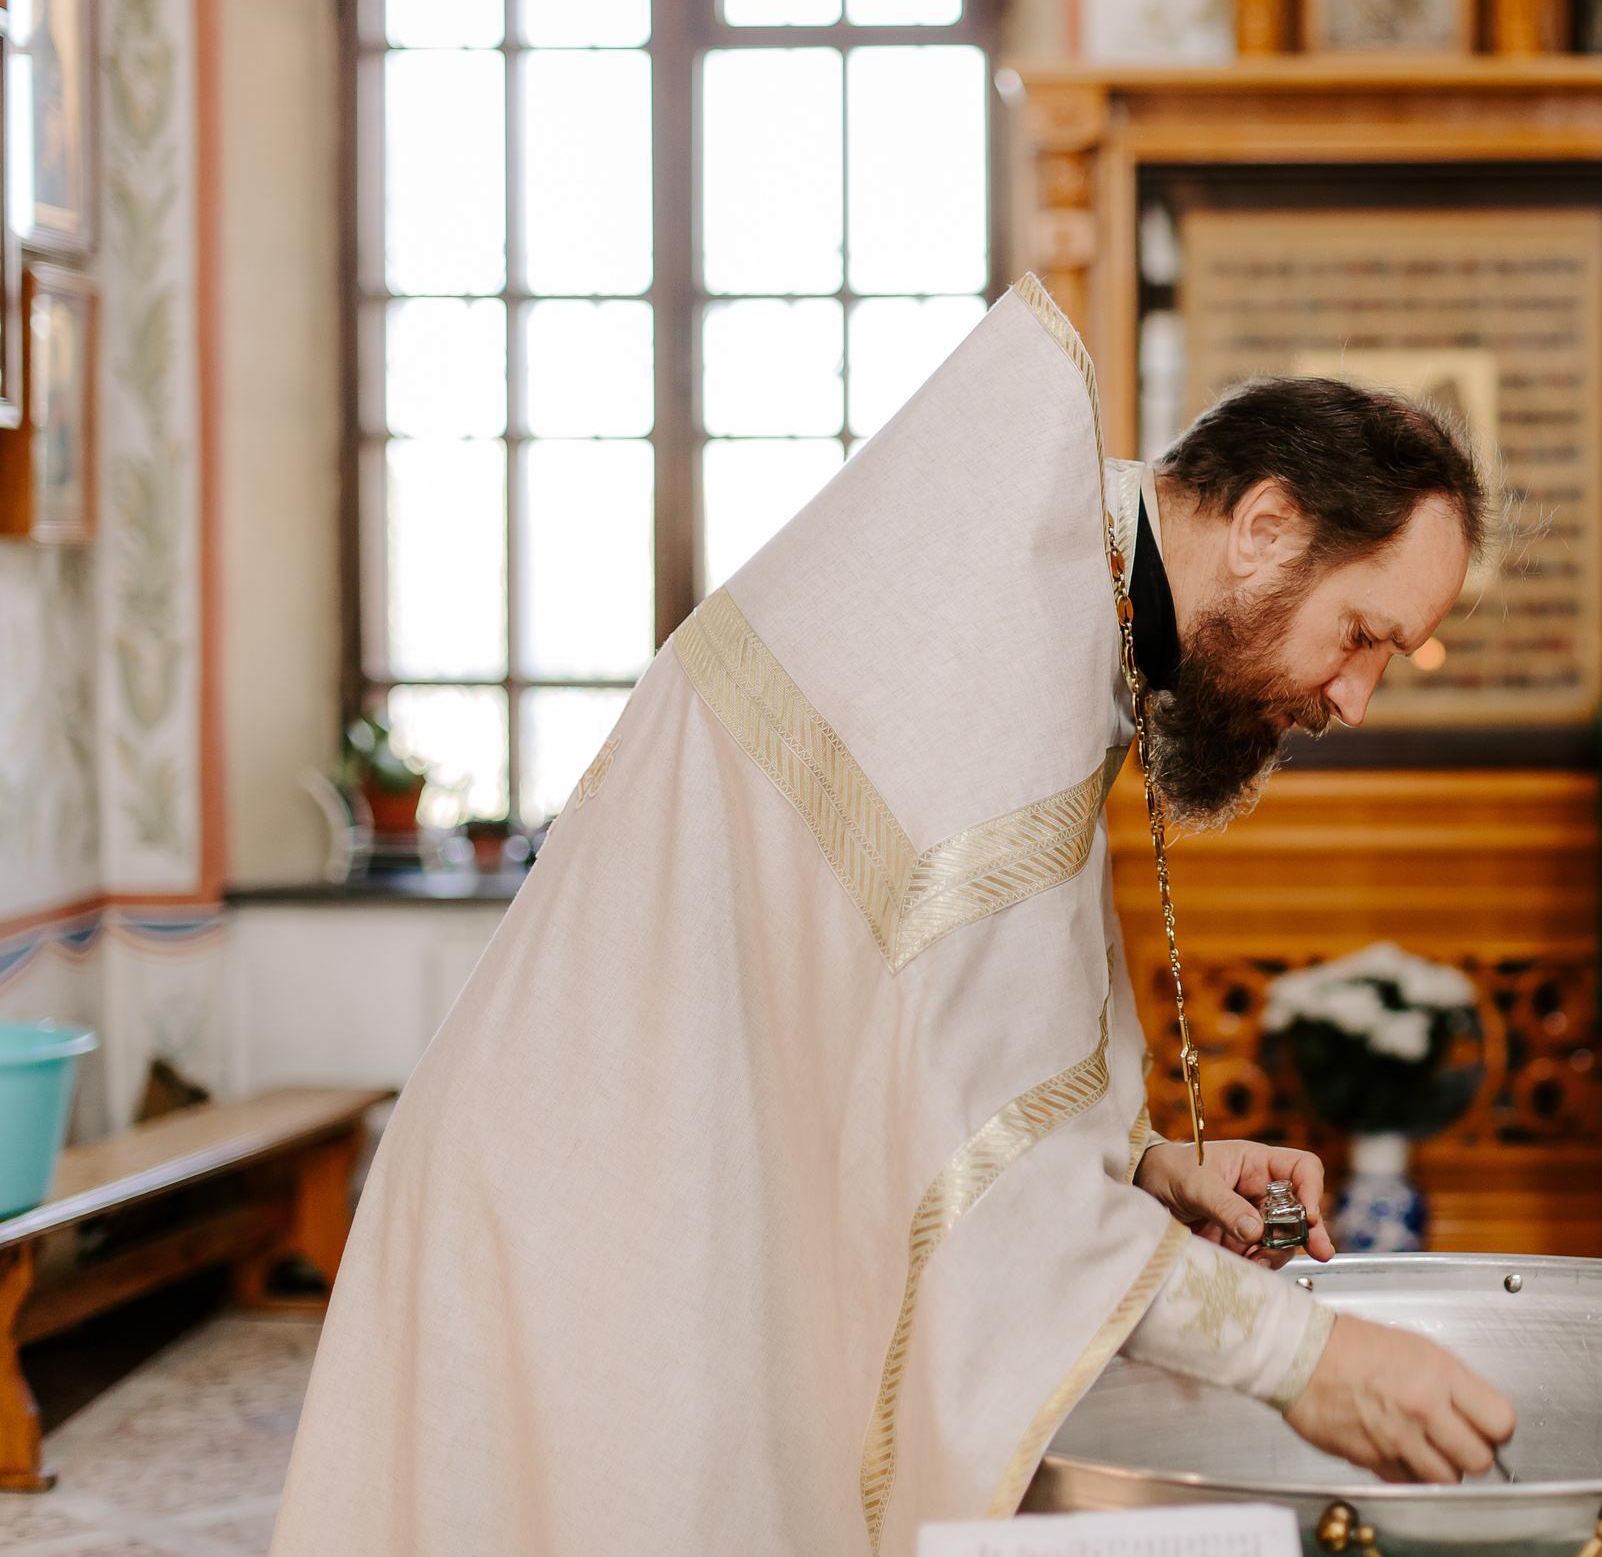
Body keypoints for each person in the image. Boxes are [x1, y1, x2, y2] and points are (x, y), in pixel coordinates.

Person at [271, 277, 1517, 1557]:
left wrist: (1139, 1161)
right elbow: (990, 1175)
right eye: (1361, 635)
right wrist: (1309, 1358)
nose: (1354, 700)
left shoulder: (1051, 600)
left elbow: (903, 1034)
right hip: (595, 1237)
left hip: (671, 1198)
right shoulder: (997, 639)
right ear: (1263, 526)